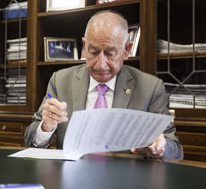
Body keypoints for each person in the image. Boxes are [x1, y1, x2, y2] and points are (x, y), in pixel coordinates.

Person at [25, 10, 183, 159]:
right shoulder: (60, 80)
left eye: (110, 53)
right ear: (85, 46)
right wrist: (46, 127)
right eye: (93, 52)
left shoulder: (151, 88)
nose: (100, 64)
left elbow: (175, 150)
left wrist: (159, 147)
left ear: (127, 50)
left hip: (127, 181)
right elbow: (30, 141)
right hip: (71, 178)